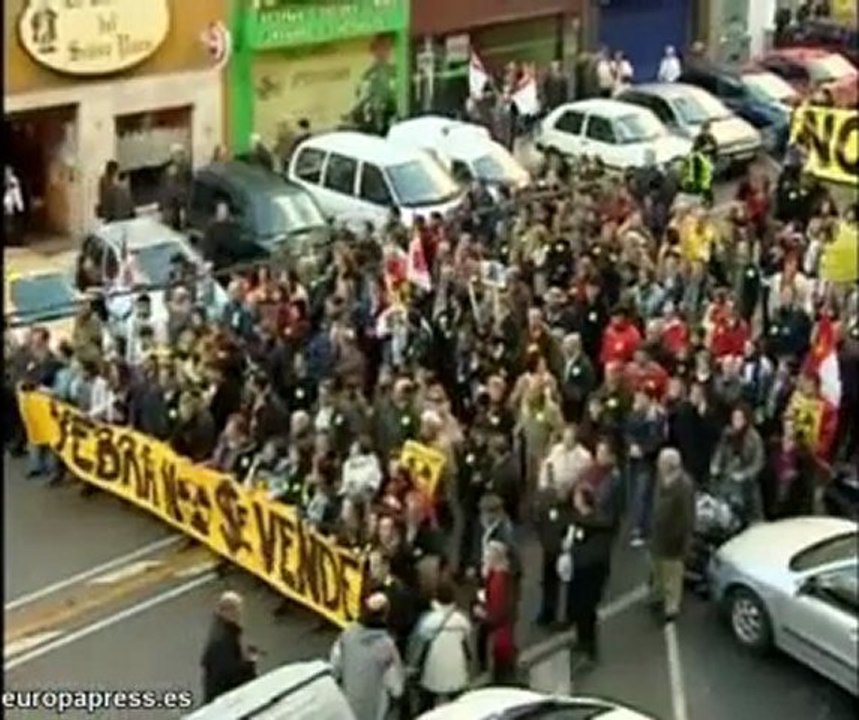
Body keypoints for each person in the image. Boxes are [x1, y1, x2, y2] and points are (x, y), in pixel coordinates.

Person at [563, 482, 614, 671]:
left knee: (587, 613)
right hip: (578, 575)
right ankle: (581, 640)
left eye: (577, 497)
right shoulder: (578, 520)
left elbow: (595, 555)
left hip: (591, 577)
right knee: (578, 611)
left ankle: (590, 651)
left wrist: (574, 552)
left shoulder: (598, 525)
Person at [331, 592, 405, 720]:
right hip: (374, 706)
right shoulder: (386, 646)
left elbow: (335, 666)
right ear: (385, 614)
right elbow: (396, 687)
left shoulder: (347, 635)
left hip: (348, 700)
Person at [407, 578, 473, 713]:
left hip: (433, 671)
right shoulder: (461, 619)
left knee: (426, 705)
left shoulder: (427, 621)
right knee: (459, 708)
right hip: (457, 671)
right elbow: (468, 645)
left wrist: (412, 667)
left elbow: (418, 647)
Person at [649, 448, 695, 623]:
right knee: (658, 568)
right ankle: (657, 595)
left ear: (670, 465)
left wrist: (685, 540)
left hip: (674, 538)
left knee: (673, 574)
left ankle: (671, 606)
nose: (658, 465)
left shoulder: (684, 485)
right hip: (658, 534)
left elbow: (688, 517)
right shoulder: (661, 478)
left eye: (661, 462)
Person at [200, 591, 257, 704]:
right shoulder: (222, 640)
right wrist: (249, 663)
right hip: (224, 699)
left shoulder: (223, 630)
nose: (240, 614)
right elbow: (230, 674)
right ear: (228, 611)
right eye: (237, 610)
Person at [473, 540, 518, 685]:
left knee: (500, 676)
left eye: (487, 556)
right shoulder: (499, 576)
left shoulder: (499, 581)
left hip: (498, 639)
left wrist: (481, 613)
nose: (483, 559)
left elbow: (497, 613)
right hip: (502, 636)